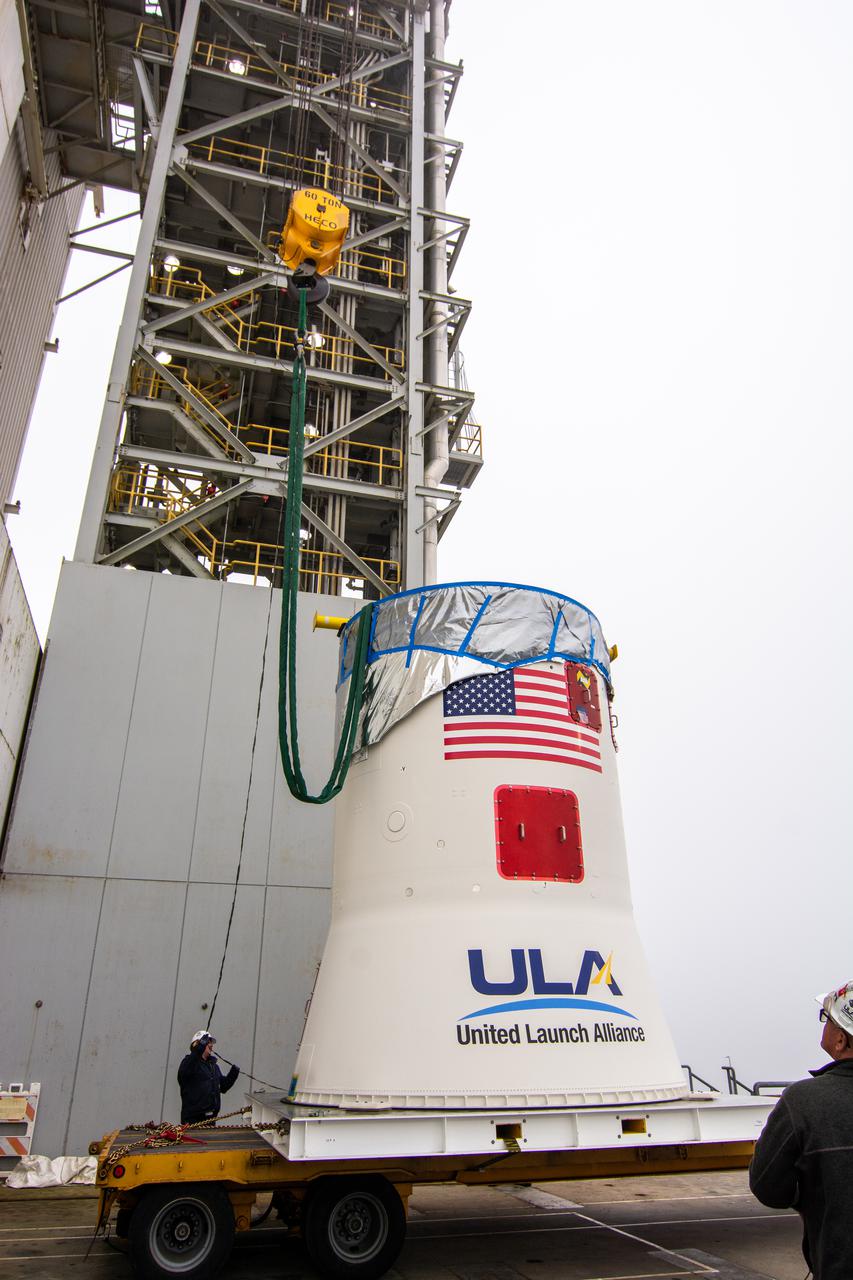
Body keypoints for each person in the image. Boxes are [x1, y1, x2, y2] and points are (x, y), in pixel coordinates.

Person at [749, 982, 853, 1279]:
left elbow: (768, 1188)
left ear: (841, 1041)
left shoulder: (804, 1101)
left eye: (827, 1018)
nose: (824, 1025)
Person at [177, 1029, 240, 1125]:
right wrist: (199, 1047)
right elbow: (183, 1074)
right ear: (199, 1044)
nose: (211, 1045)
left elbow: (223, 1087)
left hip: (210, 1120)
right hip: (192, 1121)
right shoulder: (189, 1063)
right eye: (208, 1042)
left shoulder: (213, 1066)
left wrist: (234, 1072)